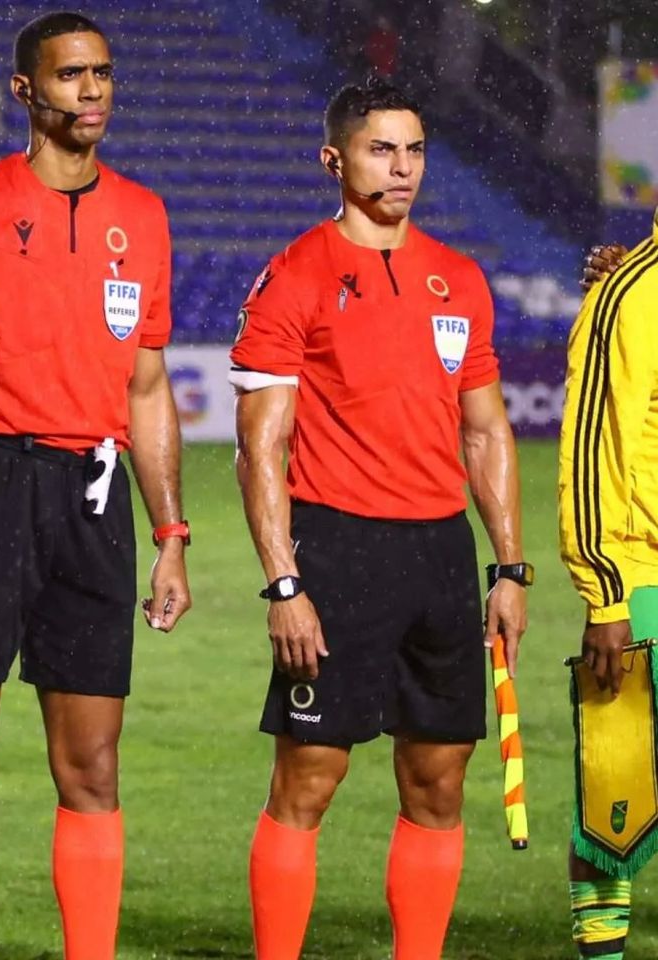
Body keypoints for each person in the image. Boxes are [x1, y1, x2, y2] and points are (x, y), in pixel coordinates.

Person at [0, 12, 190, 958]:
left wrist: (171, 535)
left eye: (102, 72)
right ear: (25, 90)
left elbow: (148, 390)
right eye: (70, 75)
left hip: (94, 499)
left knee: (92, 766)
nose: (91, 90)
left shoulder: (144, 217)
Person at [230, 76, 529, 959]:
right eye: (381, 150)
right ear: (335, 160)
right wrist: (285, 584)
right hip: (338, 551)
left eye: (415, 150)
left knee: (439, 781)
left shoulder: (459, 278)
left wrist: (510, 567)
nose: (402, 168)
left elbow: (486, 432)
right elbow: (260, 448)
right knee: (310, 779)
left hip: (440, 553)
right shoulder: (295, 274)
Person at [558, 215, 658, 960]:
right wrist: (607, 594)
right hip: (645, 579)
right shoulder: (630, 295)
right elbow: (593, 453)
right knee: (614, 805)